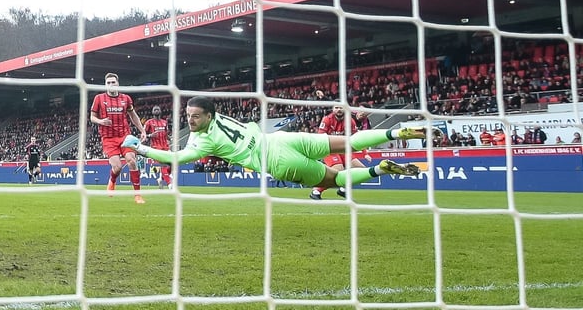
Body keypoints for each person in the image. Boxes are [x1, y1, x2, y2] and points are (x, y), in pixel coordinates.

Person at [122, 96, 430, 192]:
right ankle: (393, 135)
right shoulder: (221, 118)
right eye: (188, 116)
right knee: (348, 143)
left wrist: (141, 148)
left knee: (335, 180)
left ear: (207, 116)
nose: (190, 120)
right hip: (280, 138)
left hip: (276, 159)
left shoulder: (204, 143)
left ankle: (379, 169)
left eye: (195, 116)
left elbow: (174, 159)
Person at [89, 72, 148, 204]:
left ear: (118, 83)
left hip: (124, 136)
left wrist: (142, 130)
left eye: (113, 82)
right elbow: (92, 117)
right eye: (108, 83)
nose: (111, 85)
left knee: (132, 161)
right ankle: (112, 180)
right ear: (105, 85)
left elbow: (133, 116)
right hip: (108, 138)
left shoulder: (126, 98)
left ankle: (137, 195)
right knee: (118, 167)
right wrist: (100, 121)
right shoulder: (99, 98)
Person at [309, 105, 367, 200]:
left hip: (343, 150)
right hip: (329, 149)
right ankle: (316, 190)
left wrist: (365, 152)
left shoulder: (350, 121)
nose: (339, 110)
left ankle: (343, 189)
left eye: (341, 107)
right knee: (338, 170)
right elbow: (320, 137)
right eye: (336, 108)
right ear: (332, 109)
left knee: (361, 170)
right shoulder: (327, 119)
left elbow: (357, 138)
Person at [143, 105, 173, 189]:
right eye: (154, 109)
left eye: (158, 109)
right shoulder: (148, 122)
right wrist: (150, 135)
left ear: (160, 111)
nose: (156, 110)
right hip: (156, 148)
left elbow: (166, 133)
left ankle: (161, 179)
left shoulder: (164, 122)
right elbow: (143, 135)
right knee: (164, 164)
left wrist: (169, 138)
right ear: (152, 112)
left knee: (172, 164)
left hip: (166, 147)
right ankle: (169, 184)